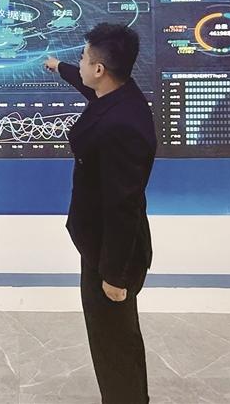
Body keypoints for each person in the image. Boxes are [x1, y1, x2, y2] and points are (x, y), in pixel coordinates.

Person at [44, 23, 156, 404]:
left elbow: (122, 206)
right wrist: (59, 67)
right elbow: (88, 85)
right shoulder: (120, 95)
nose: (80, 63)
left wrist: (113, 275)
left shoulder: (122, 127)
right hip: (100, 245)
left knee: (114, 347)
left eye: (83, 58)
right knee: (115, 340)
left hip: (111, 255)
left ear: (100, 69)